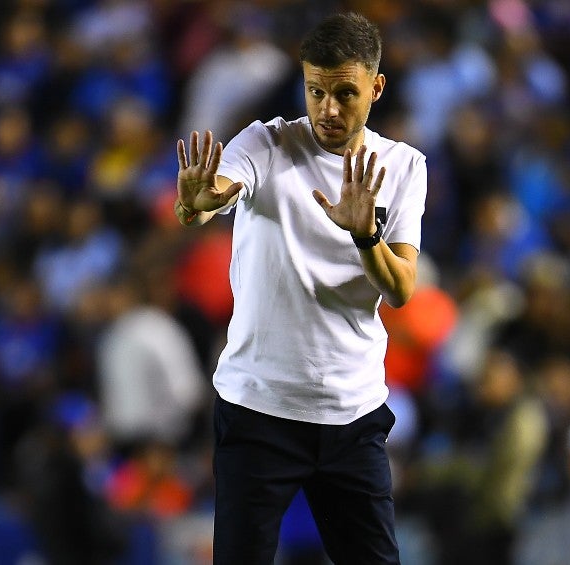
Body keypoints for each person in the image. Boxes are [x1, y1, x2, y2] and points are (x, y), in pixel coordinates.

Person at [174, 12, 427, 564]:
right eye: (316, 90)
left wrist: (365, 236)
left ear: (376, 87)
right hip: (258, 409)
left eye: (344, 93)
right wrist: (199, 200)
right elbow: (219, 188)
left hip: (352, 415)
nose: (328, 109)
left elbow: (402, 288)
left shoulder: (404, 168)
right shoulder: (266, 144)